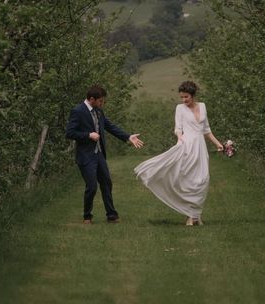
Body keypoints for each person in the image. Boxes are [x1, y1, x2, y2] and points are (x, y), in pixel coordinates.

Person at [134, 80, 224, 226]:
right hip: (186, 145)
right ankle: (191, 215)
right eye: (181, 97)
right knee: (187, 180)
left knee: (202, 180)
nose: (184, 100)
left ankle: (196, 214)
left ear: (193, 95)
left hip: (200, 147)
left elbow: (206, 130)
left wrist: (219, 144)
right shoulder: (180, 108)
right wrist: (180, 138)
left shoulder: (202, 106)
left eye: (186, 97)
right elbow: (178, 128)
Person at [66, 85, 144, 224]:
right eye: (101, 101)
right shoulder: (78, 111)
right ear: (91, 99)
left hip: (99, 154)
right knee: (92, 187)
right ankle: (87, 217)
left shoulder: (99, 111)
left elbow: (110, 126)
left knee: (107, 183)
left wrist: (127, 137)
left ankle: (111, 215)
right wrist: (88, 135)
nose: (102, 104)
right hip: (86, 156)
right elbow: (70, 133)